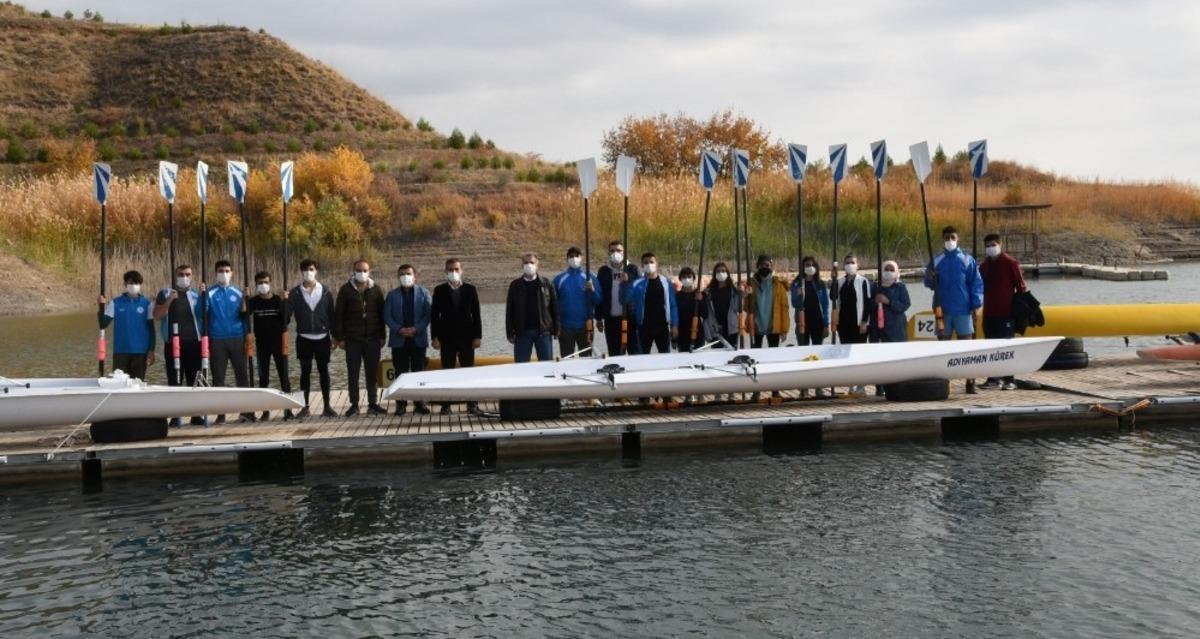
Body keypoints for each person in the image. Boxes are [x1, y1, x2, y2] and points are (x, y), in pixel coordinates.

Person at [924, 226, 984, 394]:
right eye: (946, 237)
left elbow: (976, 284)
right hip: (941, 310)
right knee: (942, 347)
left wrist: (976, 305)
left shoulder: (967, 259)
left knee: (967, 347)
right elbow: (927, 283)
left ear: (957, 239)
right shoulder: (936, 260)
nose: (949, 240)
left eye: (952, 237)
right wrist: (931, 276)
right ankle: (943, 382)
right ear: (943, 239)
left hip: (963, 309)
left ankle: (970, 382)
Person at [334, 259, 387, 416]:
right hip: (352, 340)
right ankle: (354, 405)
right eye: (359, 270)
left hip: (373, 339)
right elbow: (338, 316)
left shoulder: (376, 289)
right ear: (353, 271)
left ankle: (373, 404)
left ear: (369, 271)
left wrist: (382, 336)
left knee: (372, 373)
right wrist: (340, 337)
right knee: (353, 373)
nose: (362, 273)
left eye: (365, 270)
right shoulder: (345, 290)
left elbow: (382, 315)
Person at [154, 264, 204, 426]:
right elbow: (157, 315)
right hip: (173, 343)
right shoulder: (165, 293)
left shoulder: (197, 294)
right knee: (175, 380)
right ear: (175, 276)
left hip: (194, 343)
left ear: (192, 276)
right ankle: (176, 416)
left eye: (187, 274)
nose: (184, 277)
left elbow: (205, 316)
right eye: (181, 274)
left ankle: (196, 415)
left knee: (194, 381)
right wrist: (169, 301)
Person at [431, 258, 482, 415]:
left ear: (462, 270)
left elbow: (477, 315)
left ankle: (472, 404)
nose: (453, 272)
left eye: (456, 269)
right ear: (445, 271)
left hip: (467, 338)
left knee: (468, 371)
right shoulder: (439, 290)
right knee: (447, 372)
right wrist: (434, 337)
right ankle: (446, 404)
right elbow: (434, 316)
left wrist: (477, 336)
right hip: (447, 338)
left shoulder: (470, 289)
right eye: (450, 270)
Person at [206, 259, 254, 423]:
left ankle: (246, 411)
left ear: (232, 273)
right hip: (217, 339)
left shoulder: (239, 292)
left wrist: (247, 302)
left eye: (227, 271)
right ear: (216, 273)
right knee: (218, 378)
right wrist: (201, 295)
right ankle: (221, 414)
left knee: (242, 375)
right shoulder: (210, 293)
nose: (224, 274)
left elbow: (245, 314)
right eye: (220, 271)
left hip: (237, 338)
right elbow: (201, 312)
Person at [289, 259, 337, 418]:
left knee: (324, 372)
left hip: (323, 338)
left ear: (316, 270)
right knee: (305, 372)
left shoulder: (326, 291)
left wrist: (335, 336)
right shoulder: (294, 293)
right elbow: (286, 317)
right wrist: (284, 301)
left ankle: (327, 406)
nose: (308, 272)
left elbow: (332, 315)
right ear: (301, 272)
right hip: (304, 338)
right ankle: (305, 407)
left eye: (311, 269)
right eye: (304, 269)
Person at [979, 233, 1027, 390]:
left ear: (1000, 244)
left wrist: (1019, 311)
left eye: (993, 245)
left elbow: (1021, 288)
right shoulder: (983, 266)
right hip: (989, 313)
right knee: (990, 347)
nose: (990, 248)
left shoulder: (1011, 263)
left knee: (1006, 347)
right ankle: (993, 379)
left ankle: (1009, 379)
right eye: (987, 246)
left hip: (1006, 313)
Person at [384, 263, 432, 416]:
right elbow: (387, 316)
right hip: (399, 340)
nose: (406, 276)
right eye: (402, 274)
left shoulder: (424, 293)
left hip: (418, 339)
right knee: (400, 373)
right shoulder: (392, 295)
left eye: (408, 273)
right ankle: (401, 405)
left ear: (414, 276)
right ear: (399, 277)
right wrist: (399, 329)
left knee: (419, 373)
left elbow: (428, 314)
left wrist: (416, 329)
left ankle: (420, 403)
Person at [247, 271, 293, 421]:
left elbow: (286, 320)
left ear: (270, 282)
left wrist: (286, 301)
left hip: (279, 343)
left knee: (284, 376)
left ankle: (288, 410)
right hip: (262, 344)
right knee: (263, 378)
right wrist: (244, 298)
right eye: (260, 283)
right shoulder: (253, 301)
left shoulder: (278, 300)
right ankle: (265, 411)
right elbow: (244, 315)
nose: (263, 285)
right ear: (256, 284)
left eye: (265, 282)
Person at [98, 270, 155, 381]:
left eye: (137, 283)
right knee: (119, 385)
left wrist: (151, 350)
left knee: (137, 385)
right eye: (131, 283)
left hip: (140, 352)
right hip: (120, 351)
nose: (134, 286)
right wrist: (100, 307)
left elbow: (151, 329)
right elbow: (103, 324)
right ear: (125, 284)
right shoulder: (115, 303)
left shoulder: (147, 303)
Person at [505, 253, 558, 363]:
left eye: (532, 262)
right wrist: (509, 332)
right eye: (526, 263)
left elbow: (554, 308)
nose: (529, 265)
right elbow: (510, 311)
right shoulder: (515, 285)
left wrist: (557, 329)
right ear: (522, 265)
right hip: (522, 333)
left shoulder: (547, 284)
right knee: (521, 366)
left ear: (537, 265)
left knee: (546, 366)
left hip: (543, 332)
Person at [832, 254, 871, 396]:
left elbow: (868, 303)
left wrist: (864, 322)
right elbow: (833, 297)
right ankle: (851, 385)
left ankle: (861, 385)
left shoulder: (863, 281)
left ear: (857, 265)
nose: (850, 265)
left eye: (852, 262)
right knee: (847, 355)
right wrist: (834, 279)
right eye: (847, 262)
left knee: (859, 355)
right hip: (844, 325)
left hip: (859, 324)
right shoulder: (840, 282)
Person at [553, 246, 601, 357]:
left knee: (586, 359)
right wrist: (555, 327)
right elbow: (553, 305)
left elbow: (598, 301)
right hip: (565, 328)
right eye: (571, 256)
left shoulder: (591, 277)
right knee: (566, 359)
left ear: (581, 258)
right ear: (567, 259)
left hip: (585, 326)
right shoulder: (559, 279)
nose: (574, 258)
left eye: (576, 256)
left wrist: (593, 290)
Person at [596, 240, 641, 356]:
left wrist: (628, 280)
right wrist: (599, 317)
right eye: (612, 250)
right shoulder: (603, 271)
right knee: (615, 355)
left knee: (635, 353)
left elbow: (639, 292)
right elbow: (600, 295)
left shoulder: (632, 269)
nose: (615, 253)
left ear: (624, 252)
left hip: (630, 318)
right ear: (608, 253)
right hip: (611, 320)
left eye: (619, 250)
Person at [629, 252, 678, 354]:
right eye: (646, 262)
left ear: (656, 264)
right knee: (642, 358)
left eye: (651, 262)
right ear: (642, 265)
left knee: (665, 357)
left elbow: (673, 305)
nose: (649, 264)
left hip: (662, 326)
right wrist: (624, 284)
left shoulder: (666, 282)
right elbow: (624, 300)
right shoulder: (636, 283)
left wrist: (674, 325)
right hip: (644, 327)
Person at [742, 254, 790, 349]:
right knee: (755, 356)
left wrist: (784, 330)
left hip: (773, 327)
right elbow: (746, 308)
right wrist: (745, 295)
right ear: (758, 266)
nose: (765, 267)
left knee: (773, 356)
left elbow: (784, 309)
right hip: (755, 327)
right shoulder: (750, 284)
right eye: (762, 265)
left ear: (771, 267)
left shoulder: (779, 285)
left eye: (767, 265)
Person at [790, 256, 830, 346]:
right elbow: (794, 304)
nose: (810, 267)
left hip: (818, 323)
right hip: (802, 322)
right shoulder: (796, 283)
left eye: (812, 265)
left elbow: (825, 305)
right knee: (803, 350)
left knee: (817, 350)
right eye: (807, 265)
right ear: (803, 267)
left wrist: (826, 324)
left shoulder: (821, 284)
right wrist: (797, 295)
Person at [699, 262, 740, 348]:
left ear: (727, 273)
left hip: (731, 328)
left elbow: (739, 308)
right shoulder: (708, 292)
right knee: (716, 355)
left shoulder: (734, 291)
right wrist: (701, 298)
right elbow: (704, 312)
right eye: (718, 271)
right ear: (714, 274)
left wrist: (743, 294)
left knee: (731, 354)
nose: (721, 273)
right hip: (715, 329)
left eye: (723, 271)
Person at [870, 260, 911, 343]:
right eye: (886, 269)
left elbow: (905, 305)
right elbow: (867, 306)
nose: (889, 272)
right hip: (878, 329)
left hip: (897, 330)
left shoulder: (900, 287)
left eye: (892, 270)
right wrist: (875, 301)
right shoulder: (875, 287)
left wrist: (889, 302)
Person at [675, 267, 700, 353]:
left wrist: (701, 300)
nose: (687, 279)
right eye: (684, 277)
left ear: (693, 278)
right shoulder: (677, 296)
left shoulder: (699, 294)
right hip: (682, 334)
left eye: (689, 277)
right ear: (680, 279)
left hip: (698, 333)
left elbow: (705, 314)